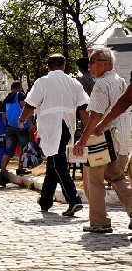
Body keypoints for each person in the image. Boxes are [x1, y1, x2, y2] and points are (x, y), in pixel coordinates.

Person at [18, 54, 89, 216]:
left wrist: (22, 119)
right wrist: (89, 128)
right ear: (64, 66)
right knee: (53, 163)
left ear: (48, 66)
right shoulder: (74, 82)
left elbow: (30, 104)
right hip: (68, 126)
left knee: (58, 164)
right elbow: (84, 107)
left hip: (51, 127)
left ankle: (74, 199)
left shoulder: (42, 81)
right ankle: (45, 201)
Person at [72, 48, 132, 233]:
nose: (88, 66)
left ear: (105, 63)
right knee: (117, 176)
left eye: (92, 61)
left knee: (93, 180)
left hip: (103, 140)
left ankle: (99, 221)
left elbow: (95, 115)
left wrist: (82, 140)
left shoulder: (101, 84)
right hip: (123, 138)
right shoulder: (120, 81)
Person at [0, 82, 31, 186]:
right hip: (21, 126)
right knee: (24, 147)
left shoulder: (7, 98)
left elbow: (3, 115)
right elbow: (26, 108)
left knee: (8, 151)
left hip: (9, 127)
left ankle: (2, 172)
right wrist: (29, 122)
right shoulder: (20, 95)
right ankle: (20, 168)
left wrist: (7, 125)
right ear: (19, 88)